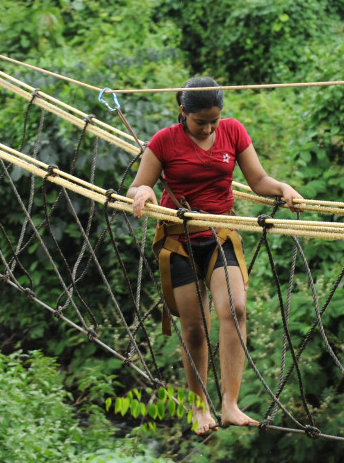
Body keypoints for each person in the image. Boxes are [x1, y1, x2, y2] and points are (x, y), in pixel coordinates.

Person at [127, 76, 303, 435]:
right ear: (183, 112)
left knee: (236, 309)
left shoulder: (233, 132)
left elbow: (258, 181)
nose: (208, 128)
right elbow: (140, 183)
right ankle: (199, 408)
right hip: (179, 240)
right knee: (194, 329)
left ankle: (230, 405)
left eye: (213, 121)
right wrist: (143, 192)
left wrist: (282, 188)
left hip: (220, 235)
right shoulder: (164, 141)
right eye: (200, 122)